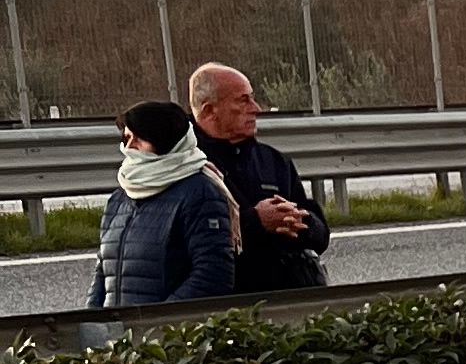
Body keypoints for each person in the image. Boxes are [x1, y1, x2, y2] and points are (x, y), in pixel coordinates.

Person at [188, 62, 331, 292]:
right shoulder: (188, 166)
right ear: (209, 111)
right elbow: (192, 242)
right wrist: (256, 222)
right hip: (227, 300)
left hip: (287, 295)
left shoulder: (273, 161)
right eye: (243, 100)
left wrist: (300, 222)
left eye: (252, 98)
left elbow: (320, 236)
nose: (255, 108)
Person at [86, 102, 236, 312]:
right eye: (127, 138)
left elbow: (213, 275)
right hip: (118, 329)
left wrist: (159, 320)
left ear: (166, 140)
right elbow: (103, 270)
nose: (130, 147)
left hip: (168, 329)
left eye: (140, 138)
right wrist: (91, 318)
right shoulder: (120, 198)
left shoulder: (200, 193)